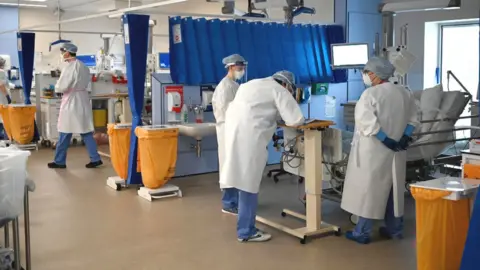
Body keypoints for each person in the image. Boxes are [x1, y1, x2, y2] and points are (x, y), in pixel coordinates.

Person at [340, 57, 418, 244]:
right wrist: (404, 137)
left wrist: (386, 140)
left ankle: (362, 232)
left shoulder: (370, 95)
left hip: (374, 150)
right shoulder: (405, 92)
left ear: (374, 74)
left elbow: (367, 123)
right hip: (398, 149)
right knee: (394, 188)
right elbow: (414, 118)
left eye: (366, 72)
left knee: (369, 189)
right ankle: (394, 229)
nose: (365, 76)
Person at [220, 70, 305, 242]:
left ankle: (243, 223)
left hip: (232, 135)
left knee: (240, 180)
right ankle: (246, 231)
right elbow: (296, 120)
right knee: (249, 185)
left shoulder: (250, 84)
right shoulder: (278, 90)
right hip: (251, 140)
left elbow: (260, 109)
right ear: (287, 85)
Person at [48, 43, 103, 169]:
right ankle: (95, 158)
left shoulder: (70, 67)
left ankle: (59, 161)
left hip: (72, 100)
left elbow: (63, 86)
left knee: (64, 131)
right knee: (86, 131)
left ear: (67, 52)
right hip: (82, 99)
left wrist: (57, 88)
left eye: (63, 52)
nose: (62, 54)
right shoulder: (83, 66)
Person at [212, 54, 247, 216]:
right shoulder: (225, 87)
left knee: (235, 166)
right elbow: (226, 112)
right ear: (231, 67)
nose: (242, 71)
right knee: (228, 166)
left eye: (243, 68)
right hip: (228, 131)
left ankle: (235, 202)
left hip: (234, 130)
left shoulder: (234, 85)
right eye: (239, 68)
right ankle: (228, 203)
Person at [0, 57, 12, 140]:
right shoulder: (1, 72)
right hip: (2, 99)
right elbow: (1, 85)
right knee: (5, 119)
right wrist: (7, 96)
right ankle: (6, 137)